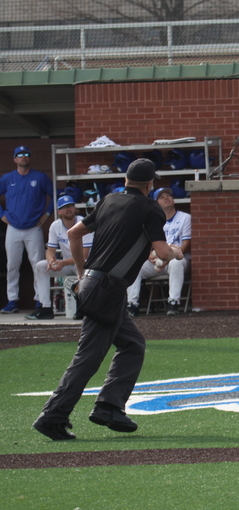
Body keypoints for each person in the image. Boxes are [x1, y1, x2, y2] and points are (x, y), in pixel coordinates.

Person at [32, 158, 183, 441]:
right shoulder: (150, 208)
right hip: (109, 291)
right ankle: (53, 416)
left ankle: (109, 407)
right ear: (150, 184)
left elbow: (74, 233)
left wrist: (80, 275)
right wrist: (175, 251)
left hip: (93, 285)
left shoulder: (108, 200)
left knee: (132, 344)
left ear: (126, 180)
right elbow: (162, 254)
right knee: (88, 358)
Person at [0, 146, 53, 314]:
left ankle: (40, 299)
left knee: (37, 264)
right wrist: (1, 214)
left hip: (34, 227)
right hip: (13, 226)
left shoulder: (40, 177)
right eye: (20, 155)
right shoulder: (7, 178)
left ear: (30, 158)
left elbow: (54, 195)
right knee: (12, 265)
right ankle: (12, 300)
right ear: (15, 159)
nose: (24, 157)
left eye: (26, 155)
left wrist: (46, 214)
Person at [126, 187, 191, 317]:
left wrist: (167, 260)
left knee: (175, 264)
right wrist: (150, 256)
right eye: (162, 197)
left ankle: (173, 302)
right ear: (156, 203)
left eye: (168, 195)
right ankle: (132, 304)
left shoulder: (185, 218)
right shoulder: (153, 219)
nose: (167, 198)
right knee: (133, 266)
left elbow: (186, 245)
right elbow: (147, 245)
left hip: (179, 259)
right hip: (157, 259)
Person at [26, 196, 93, 320]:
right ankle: (45, 308)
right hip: (67, 264)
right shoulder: (55, 225)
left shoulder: (84, 223)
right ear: (59, 212)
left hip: (85, 265)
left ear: (75, 209)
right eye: (65, 207)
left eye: (71, 206)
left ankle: (83, 308)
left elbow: (84, 255)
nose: (69, 209)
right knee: (41, 266)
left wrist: (62, 262)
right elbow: (50, 250)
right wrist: (52, 261)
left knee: (83, 266)